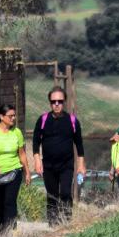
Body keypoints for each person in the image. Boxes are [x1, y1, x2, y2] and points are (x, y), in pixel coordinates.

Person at [32, 87, 85, 227]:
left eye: (60, 101)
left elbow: (79, 146)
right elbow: (35, 142)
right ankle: (53, 224)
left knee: (66, 193)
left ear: (64, 102)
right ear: (50, 102)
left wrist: (81, 166)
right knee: (52, 195)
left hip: (66, 165)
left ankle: (67, 222)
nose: (56, 104)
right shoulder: (43, 120)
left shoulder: (72, 121)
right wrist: (37, 161)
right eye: (53, 101)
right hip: (48, 165)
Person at [0, 104, 31, 235]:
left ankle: (12, 232)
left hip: (14, 171)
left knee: (10, 201)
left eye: (14, 115)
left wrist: (27, 171)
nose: (13, 118)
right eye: (10, 116)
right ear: (1, 117)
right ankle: (1, 233)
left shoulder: (17, 132)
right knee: (0, 202)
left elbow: (21, 153)